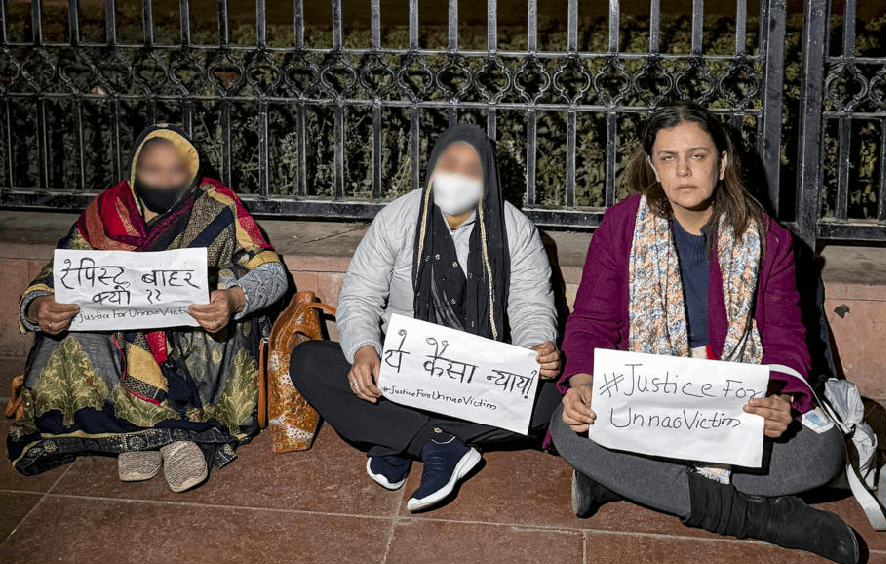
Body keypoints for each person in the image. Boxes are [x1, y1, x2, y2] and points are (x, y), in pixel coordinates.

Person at [550, 103, 862, 564]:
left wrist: (785, 402)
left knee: (822, 452)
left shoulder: (765, 238)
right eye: (668, 158)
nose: (683, 171)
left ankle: (624, 482)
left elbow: (786, 339)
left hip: (733, 392)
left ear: (722, 161)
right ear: (652, 167)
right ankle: (762, 518)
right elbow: (591, 321)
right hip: (649, 392)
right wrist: (581, 382)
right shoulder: (621, 226)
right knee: (567, 427)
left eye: (697, 156)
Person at [291, 124, 562, 511]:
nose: (458, 176)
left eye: (472, 169)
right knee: (309, 362)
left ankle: (395, 435)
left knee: (552, 399)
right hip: (399, 374)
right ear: (433, 166)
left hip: (476, 379)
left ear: (488, 176)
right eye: (449, 164)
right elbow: (360, 295)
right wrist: (365, 350)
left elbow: (530, 305)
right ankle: (437, 444)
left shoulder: (514, 229)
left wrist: (536, 348)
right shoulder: (398, 218)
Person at [8, 124, 288, 492]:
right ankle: (136, 429)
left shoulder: (217, 206)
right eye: (152, 170)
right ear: (135, 170)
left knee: (222, 316)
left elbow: (271, 271)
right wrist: (37, 306)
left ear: (193, 170)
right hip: (122, 338)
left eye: (177, 170)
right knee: (65, 330)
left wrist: (235, 299)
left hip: (193, 338)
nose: (165, 179)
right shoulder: (106, 209)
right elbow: (61, 271)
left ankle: (180, 435)